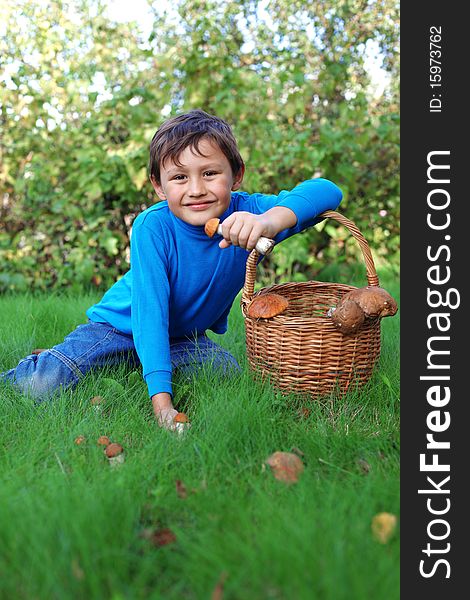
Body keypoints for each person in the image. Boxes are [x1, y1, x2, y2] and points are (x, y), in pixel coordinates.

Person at [1, 109, 342, 430]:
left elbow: (328, 190)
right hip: (120, 327)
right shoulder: (153, 226)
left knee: (225, 373)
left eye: (210, 173)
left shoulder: (250, 214)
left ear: (235, 175)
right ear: (159, 186)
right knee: (44, 385)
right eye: (179, 177)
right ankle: (59, 360)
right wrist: (163, 405)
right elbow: (150, 315)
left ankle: (139, 364)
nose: (196, 189)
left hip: (181, 337)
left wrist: (268, 222)